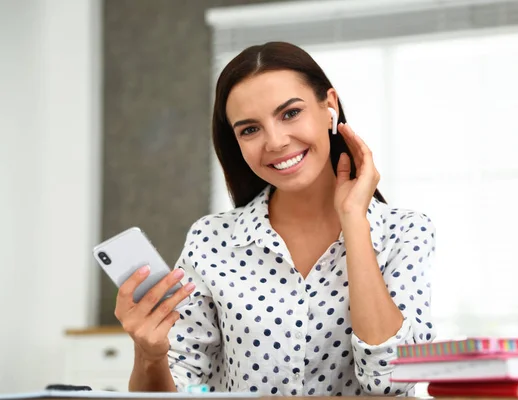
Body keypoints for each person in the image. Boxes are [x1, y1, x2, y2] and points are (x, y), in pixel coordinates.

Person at [114, 41, 436, 397]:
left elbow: (390, 382)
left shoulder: (404, 232)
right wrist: (149, 353)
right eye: (250, 129)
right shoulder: (211, 240)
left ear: (329, 105)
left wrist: (354, 221)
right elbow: (176, 388)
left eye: (290, 113)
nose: (276, 141)